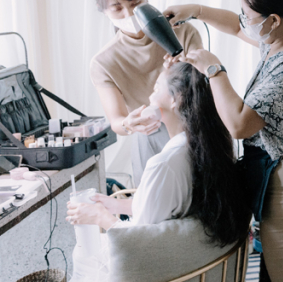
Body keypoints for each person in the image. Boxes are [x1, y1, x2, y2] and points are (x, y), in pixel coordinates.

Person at [165, 0, 283, 282]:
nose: (243, 20)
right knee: (277, 272)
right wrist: (195, 10)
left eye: (248, 15)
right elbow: (234, 25)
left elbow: (239, 125)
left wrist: (214, 70)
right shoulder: (277, 42)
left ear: (273, 20)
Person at [67, 62, 250, 276]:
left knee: (82, 255)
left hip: (165, 269)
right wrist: (115, 205)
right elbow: (165, 205)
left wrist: (100, 217)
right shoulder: (209, 147)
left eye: (156, 89)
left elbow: (138, 240)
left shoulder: (164, 164)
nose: (150, 97)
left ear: (176, 99)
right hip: (202, 264)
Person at [90, 0, 202, 186]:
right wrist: (130, 124)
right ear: (102, 10)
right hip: (150, 135)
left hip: (196, 128)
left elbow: (203, 87)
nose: (129, 14)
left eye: (135, 4)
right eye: (117, 8)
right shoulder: (103, 62)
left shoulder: (182, 32)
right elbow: (117, 121)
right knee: (154, 201)